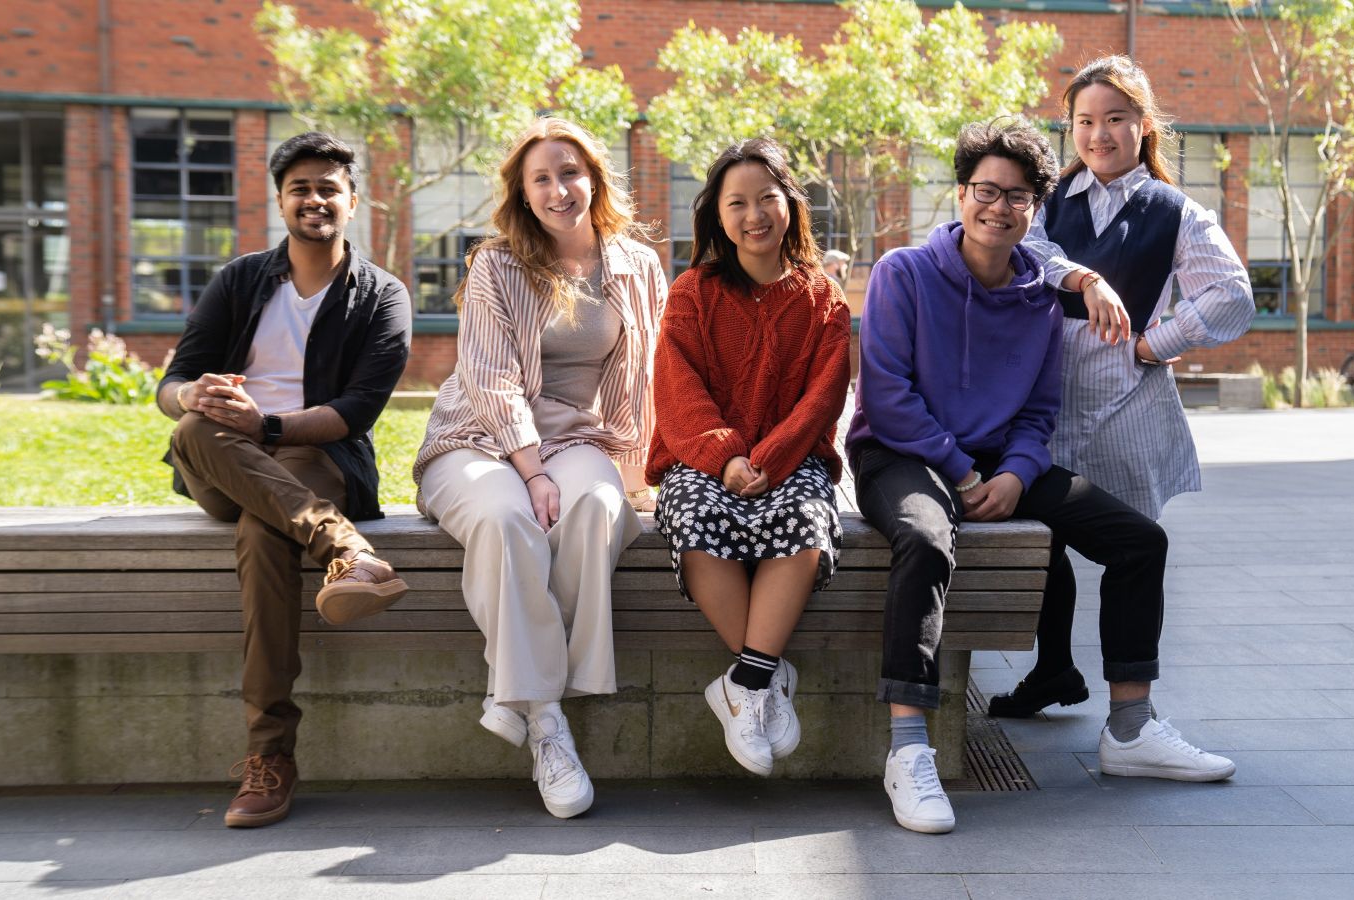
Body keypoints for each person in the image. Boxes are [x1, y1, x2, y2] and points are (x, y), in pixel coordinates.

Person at [850, 118, 1235, 835]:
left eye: (1017, 197)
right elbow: (888, 397)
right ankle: (908, 749)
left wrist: (1020, 475)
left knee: (1139, 541)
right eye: (985, 191)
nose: (998, 208)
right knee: (928, 540)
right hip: (900, 455)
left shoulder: (1036, 298)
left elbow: (1036, 411)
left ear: (1035, 209)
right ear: (961, 194)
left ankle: (1129, 728)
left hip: (999, 463)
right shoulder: (904, 272)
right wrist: (965, 473)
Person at [156, 132, 413, 828]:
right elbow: (172, 382)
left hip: (312, 457)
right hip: (220, 457)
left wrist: (264, 426)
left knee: (264, 533)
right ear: (280, 201)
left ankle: (270, 757)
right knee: (188, 428)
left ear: (352, 201)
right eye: (301, 187)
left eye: (329, 187)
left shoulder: (381, 296)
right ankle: (346, 551)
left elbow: (357, 410)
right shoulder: (240, 280)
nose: (315, 199)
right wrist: (196, 398)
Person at [413, 116, 665, 818]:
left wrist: (651, 471)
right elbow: (490, 380)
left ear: (595, 178)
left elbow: (653, 376)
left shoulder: (637, 266)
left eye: (571, 172)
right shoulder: (496, 263)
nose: (560, 189)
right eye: (542, 179)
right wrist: (531, 472)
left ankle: (519, 690)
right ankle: (546, 720)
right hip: (479, 437)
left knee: (598, 510)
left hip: (580, 436)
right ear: (523, 195)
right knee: (505, 519)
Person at [989, 55, 1255, 719]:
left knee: (1130, 547)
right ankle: (1053, 669)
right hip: (1045, 395)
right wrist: (1084, 278)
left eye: (1114, 119)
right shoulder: (1047, 201)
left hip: (1125, 404)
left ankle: (1130, 710)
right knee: (1038, 533)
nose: (1098, 134)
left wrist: (1154, 342)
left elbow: (1232, 295)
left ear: (1143, 126)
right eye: (1084, 120)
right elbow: (1027, 253)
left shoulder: (1177, 213)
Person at [647, 137, 850, 777]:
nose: (753, 214)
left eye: (767, 197)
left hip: (792, 460)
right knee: (689, 515)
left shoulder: (824, 299)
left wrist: (769, 457)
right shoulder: (693, 293)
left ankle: (743, 682)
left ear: (792, 204)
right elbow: (676, 389)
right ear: (717, 215)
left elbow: (824, 398)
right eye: (737, 202)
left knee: (806, 525)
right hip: (705, 461)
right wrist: (727, 457)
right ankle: (763, 674)